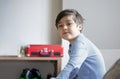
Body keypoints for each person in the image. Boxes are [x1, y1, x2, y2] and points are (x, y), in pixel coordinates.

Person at [55, 9, 106, 79]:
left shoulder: (81, 44)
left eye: (69, 24)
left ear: (80, 26)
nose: (64, 27)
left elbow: (72, 66)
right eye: (60, 25)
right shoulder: (74, 44)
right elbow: (75, 71)